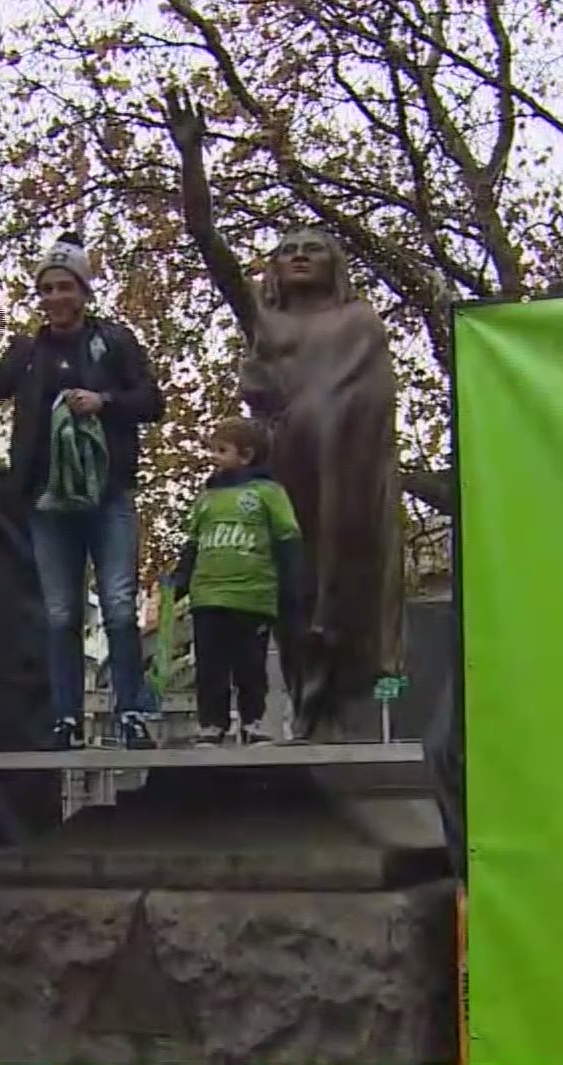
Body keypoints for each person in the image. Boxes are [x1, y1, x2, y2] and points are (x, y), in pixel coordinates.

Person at [163, 91, 406, 741]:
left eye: (314, 247)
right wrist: (193, 158)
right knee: (288, 595)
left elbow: (373, 398)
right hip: (285, 474)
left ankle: (338, 693)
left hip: (345, 479)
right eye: (287, 247)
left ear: (336, 265)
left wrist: (334, 421)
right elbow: (205, 240)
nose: (299, 253)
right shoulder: (264, 321)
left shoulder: (359, 320)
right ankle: (302, 698)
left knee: (336, 589)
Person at [0, 232, 166, 750]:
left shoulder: (113, 341)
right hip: (47, 498)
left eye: (65, 287)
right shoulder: (28, 350)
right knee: (60, 611)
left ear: (84, 291)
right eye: (47, 289)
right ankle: (65, 718)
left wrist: (103, 400)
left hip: (108, 492)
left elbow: (151, 400)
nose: (55, 298)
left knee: (120, 604)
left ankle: (131, 713)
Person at [171, 418, 305, 746]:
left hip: (252, 595)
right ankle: (212, 724)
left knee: (250, 665)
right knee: (210, 667)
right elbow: (193, 541)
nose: (213, 456)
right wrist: (179, 581)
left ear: (246, 455)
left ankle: (253, 720)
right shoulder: (207, 497)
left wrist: (292, 583)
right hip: (208, 596)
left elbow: (287, 538)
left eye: (221, 450)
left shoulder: (269, 493)